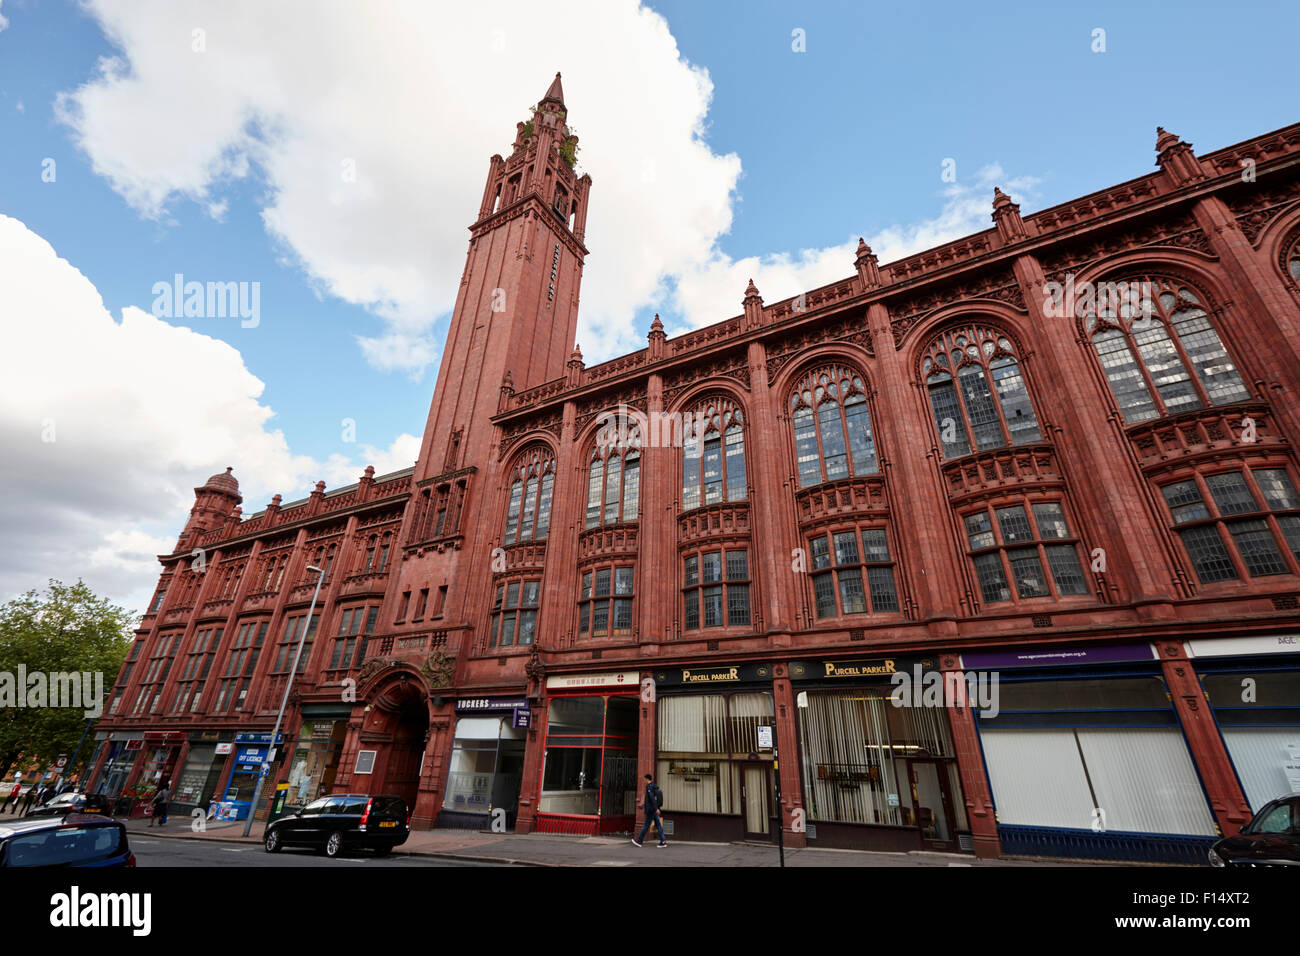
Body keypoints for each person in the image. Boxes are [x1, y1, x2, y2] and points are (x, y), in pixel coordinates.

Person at [631, 773, 667, 848]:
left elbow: (652, 799)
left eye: (644, 779)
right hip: (654, 809)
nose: (644, 781)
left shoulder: (649, 787)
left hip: (651, 810)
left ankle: (639, 841)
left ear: (647, 779)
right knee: (658, 825)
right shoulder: (654, 786)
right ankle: (663, 841)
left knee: (646, 825)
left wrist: (656, 808)